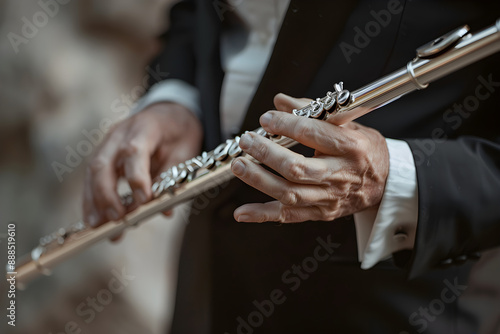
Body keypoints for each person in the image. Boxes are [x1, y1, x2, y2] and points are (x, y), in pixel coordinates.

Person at [83, 0, 500, 332]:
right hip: (208, 290)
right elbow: (201, 12)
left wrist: (397, 176)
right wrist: (178, 96)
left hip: (395, 307)